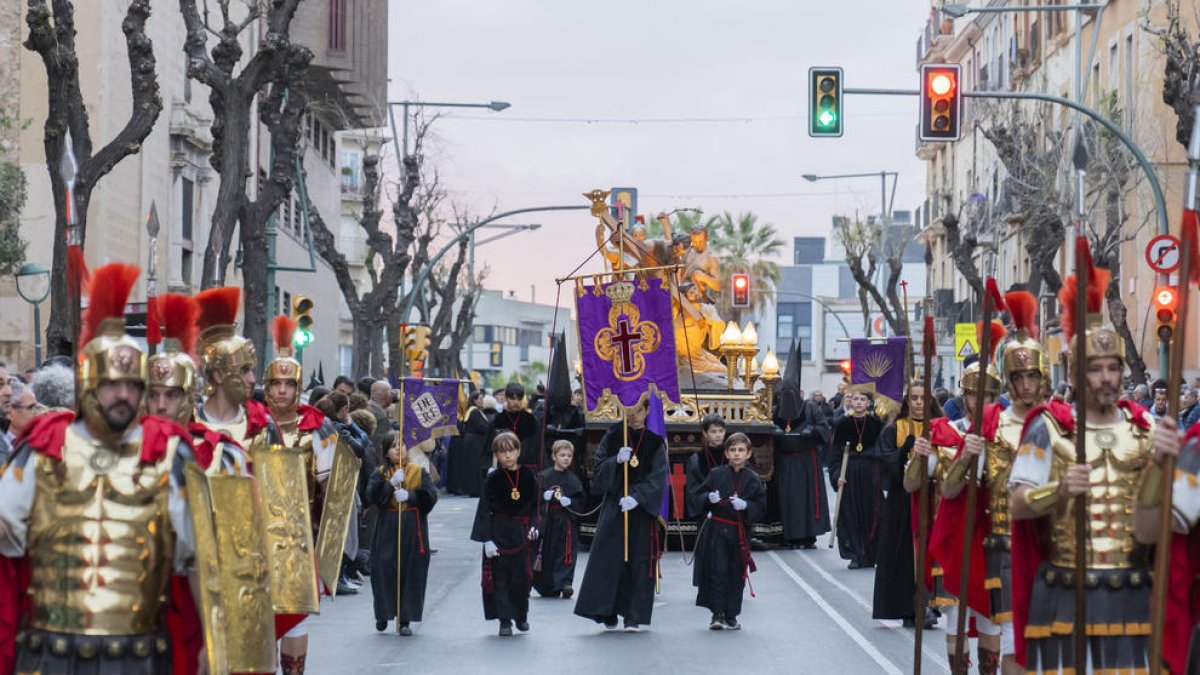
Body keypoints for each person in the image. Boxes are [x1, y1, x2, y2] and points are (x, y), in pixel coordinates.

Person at [0, 263, 199, 674]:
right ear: (89, 386)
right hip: (50, 647)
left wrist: (212, 646)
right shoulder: (43, 448)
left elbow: (198, 560)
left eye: (132, 385)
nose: (122, 395)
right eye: (111, 384)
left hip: (139, 650)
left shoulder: (169, 454)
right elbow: (7, 534)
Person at [1009, 256, 1155, 673]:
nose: (1107, 377)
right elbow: (1018, 504)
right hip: (1065, 589)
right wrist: (1059, 490)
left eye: (1114, 368)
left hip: (1134, 589)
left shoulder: (1148, 431)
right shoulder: (1047, 429)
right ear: (1075, 374)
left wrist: (1172, 463)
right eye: (1095, 369)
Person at [939, 296, 1044, 672]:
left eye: (1033, 376)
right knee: (1009, 639)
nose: (1027, 384)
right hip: (1000, 541)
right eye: (1019, 377)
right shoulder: (988, 428)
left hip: (1050, 545)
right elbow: (952, 491)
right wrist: (967, 455)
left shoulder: (1061, 425)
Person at [931, 352, 1006, 673]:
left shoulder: (1009, 433)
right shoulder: (950, 431)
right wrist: (963, 456)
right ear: (965, 395)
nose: (980, 400)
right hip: (958, 531)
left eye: (987, 394)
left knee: (992, 615)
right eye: (974, 393)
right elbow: (945, 488)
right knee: (956, 614)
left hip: (995, 532)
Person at [574, 395, 668, 631]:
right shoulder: (614, 435)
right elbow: (598, 467)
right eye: (628, 410)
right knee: (610, 559)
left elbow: (658, 476)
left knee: (638, 560)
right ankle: (607, 610)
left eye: (637, 410)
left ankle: (633, 615)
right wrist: (616, 460)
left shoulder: (655, 442)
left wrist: (638, 498)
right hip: (616, 504)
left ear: (647, 411)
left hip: (640, 509)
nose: (632, 415)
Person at [872, 379, 941, 628]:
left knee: (931, 551)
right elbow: (885, 461)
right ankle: (909, 606)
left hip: (933, 498)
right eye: (914, 398)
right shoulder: (895, 429)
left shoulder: (939, 427)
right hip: (903, 501)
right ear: (907, 401)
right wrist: (904, 452)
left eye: (923, 398)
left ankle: (930, 603)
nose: (919, 403)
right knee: (906, 555)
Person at [692, 433, 766, 630]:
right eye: (732, 450)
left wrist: (747, 505)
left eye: (741, 450)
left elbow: (761, 505)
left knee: (736, 574)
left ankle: (731, 613)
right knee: (717, 571)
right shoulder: (716, 474)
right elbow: (697, 496)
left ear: (749, 453)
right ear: (726, 453)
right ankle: (717, 614)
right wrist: (709, 498)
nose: (736, 454)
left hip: (739, 533)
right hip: (717, 529)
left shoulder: (753, 478)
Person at [367, 431, 437, 635]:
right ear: (386, 452)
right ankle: (384, 612)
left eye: (402, 444)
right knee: (384, 570)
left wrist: (412, 496)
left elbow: (430, 497)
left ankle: (405, 618)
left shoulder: (418, 471)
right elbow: (372, 496)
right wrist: (389, 485)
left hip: (412, 527)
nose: (399, 449)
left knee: (410, 570)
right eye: (393, 446)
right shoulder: (380, 472)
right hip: (388, 525)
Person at [471, 431, 539, 636]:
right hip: (499, 530)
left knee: (521, 578)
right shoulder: (493, 478)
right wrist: (487, 539)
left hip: (522, 532)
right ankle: (504, 620)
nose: (507, 455)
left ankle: (521, 616)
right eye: (502, 452)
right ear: (496, 455)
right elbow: (484, 509)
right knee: (500, 579)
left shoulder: (529, 476)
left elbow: (536, 506)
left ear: (518, 451)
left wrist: (536, 526)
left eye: (511, 450)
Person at [773, 341, 831, 549]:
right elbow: (766, 427)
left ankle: (808, 535)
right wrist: (774, 431)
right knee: (788, 500)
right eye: (784, 390)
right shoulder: (776, 409)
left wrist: (813, 431)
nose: (788, 394)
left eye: (792, 390)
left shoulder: (810, 408)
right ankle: (788, 534)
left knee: (807, 499)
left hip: (807, 462)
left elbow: (825, 427)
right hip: (785, 463)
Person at [829, 391, 886, 569]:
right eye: (855, 399)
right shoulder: (842, 424)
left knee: (872, 512)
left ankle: (870, 553)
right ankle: (855, 553)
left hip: (870, 473)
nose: (859, 402)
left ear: (869, 402)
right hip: (850, 472)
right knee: (851, 513)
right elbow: (834, 454)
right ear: (850, 401)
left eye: (863, 399)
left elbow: (883, 450)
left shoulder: (877, 424)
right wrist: (837, 475)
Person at [534, 440, 587, 599]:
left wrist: (571, 502)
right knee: (546, 551)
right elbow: (533, 499)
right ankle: (546, 584)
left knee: (565, 552)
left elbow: (582, 501)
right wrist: (543, 498)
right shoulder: (544, 477)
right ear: (554, 456)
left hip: (566, 522)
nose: (566, 459)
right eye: (562, 455)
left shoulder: (574, 480)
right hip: (548, 520)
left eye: (569, 456)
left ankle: (564, 583)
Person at [685, 413, 728, 523]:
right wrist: (707, 497)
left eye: (721, 431)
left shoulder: (732, 454)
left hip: (730, 511)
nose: (718, 435)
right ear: (705, 433)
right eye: (713, 431)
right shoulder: (697, 459)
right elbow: (692, 492)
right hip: (708, 513)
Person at [490, 382, 540, 472]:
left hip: (526, 466)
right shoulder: (498, 420)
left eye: (519, 398)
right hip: (503, 467)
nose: (516, 402)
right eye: (512, 398)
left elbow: (537, 447)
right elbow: (490, 448)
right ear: (506, 398)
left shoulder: (531, 420)